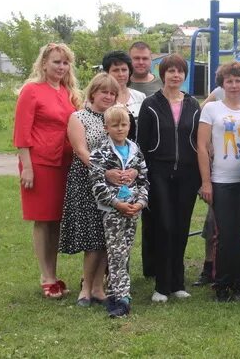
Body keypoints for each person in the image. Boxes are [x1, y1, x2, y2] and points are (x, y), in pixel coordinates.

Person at [59, 73, 135, 306]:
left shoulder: (117, 117)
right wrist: (104, 172)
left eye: (112, 93)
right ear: (93, 92)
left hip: (113, 184)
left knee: (107, 237)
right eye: (104, 92)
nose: (108, 96)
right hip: (86, 181)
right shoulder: (78, 117)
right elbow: (81, 151)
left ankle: (99, 288)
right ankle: (85, 288)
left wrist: (127, 172)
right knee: (92, 237)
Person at [13, 42, 82, 299]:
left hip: (64, 163)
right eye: (56, 62)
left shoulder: (67, 92)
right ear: (44, 63)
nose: (61, 67)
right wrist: (27, 167)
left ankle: (53, 273)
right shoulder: (32, 91)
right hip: (39, 163)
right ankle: (46, 276)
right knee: (43, 220)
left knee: (56, 221)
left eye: (65, 63)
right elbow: (21, 131)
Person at [195, 51, 240, 287]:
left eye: (238, 80)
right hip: (221, 179)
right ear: (222, 84)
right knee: (223, 233)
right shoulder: (211, 109)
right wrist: (206, 182)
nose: (234, 85)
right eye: (229, 81)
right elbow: (202, 146)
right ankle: (222, 281)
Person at [137, 54, 201, 302]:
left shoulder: (193, 104)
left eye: (180, 71)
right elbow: (142, 143)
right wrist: (142, 175)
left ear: (184, 75)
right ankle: (161, 285)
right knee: (164, 226)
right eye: (171, 71)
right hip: (158, 173)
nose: (175, 76)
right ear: (162, 74)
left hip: (187, 174)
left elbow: (198, 140)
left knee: (181, 227)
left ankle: (178, 282)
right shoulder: (151, 104)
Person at [91, 106, 149, 318]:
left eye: (124, 124)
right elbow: (97, 183)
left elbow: (143, 178)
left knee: (124, 250)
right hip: (113, 209)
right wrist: (116, 203)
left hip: (133, 209)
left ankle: (117, 292)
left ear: (130, 126)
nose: (120, 129)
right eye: (115, 125)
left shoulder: (135, 149)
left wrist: (141, 202)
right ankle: (122, 299)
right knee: (116, 252)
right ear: (106, 128)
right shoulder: (100, 152)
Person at [127, 41, 162, 277]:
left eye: (144, 58)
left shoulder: (160, 85)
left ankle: (152, 267)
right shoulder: (121, 82)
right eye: (136, 58)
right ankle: (119, 268)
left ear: (152, 60)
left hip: (153, 160)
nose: (140, 62)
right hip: (123, 161)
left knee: (153, 216)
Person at [102, 50, 146, 120]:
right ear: (107, 73)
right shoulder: (102, 100)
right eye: (116, 70)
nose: (121, 74)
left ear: (130, 71)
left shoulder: (140, 97)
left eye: (124, 70)